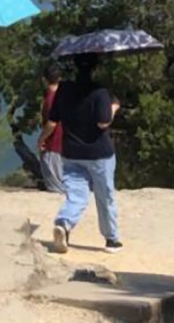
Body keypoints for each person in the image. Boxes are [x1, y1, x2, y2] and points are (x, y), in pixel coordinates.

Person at [48, 54, 122, 254]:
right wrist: (113, 107)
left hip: (70, 151)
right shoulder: (100, 92)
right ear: (95, 68)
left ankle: (64, 223)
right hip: (98, 153)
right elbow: (103, 122)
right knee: (104, 196)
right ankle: (111, 239)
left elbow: (54, 117)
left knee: (76, 195)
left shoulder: (63, 89)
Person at [35, 63, 66, 193]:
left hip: (53, 143)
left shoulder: (50, 98)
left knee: (55, 185)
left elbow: (51, 123)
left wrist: (41, 139)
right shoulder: (65, 95)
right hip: (65, 142)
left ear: (44, 79)